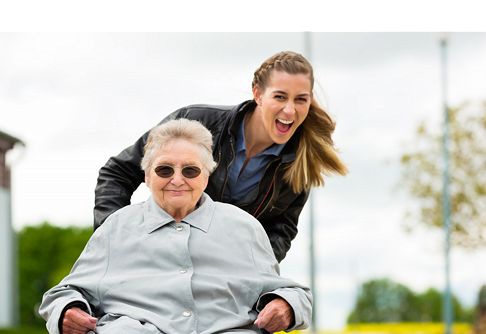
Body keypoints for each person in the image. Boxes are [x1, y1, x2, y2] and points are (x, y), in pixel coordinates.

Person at [39, 118, 312, 334]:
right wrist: (67, 310)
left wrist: (285, 305)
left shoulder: (243, 227)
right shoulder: (117, 228)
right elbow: (65, 293)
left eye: (190, 170)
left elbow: (293, 292)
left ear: (206, 176)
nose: (177, 180)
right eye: (165, 170)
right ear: (147, 177)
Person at [94, 51, 348, 263]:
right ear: (258, 94)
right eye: (279, 96)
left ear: (310, 100)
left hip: (220, 277)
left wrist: (252, 275)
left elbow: (280, 232)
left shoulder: (301, 164)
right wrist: (115, 242)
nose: (289, 110)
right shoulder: (195, 121)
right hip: (160, 257)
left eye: (300, 99)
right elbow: (117, 173)